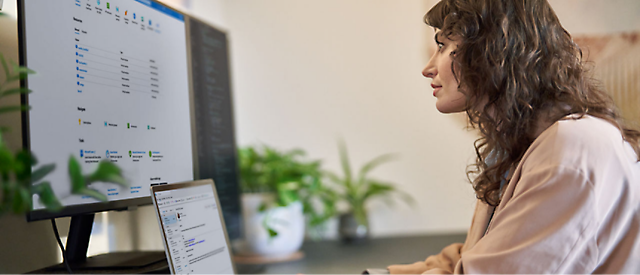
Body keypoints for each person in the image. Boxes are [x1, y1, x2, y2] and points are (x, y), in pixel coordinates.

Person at [386, 0, 640, 274]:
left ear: (493, 50)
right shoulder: (525, 142)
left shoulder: (571, 148)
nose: (428, 68)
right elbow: (481, 253)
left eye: (443, 46)